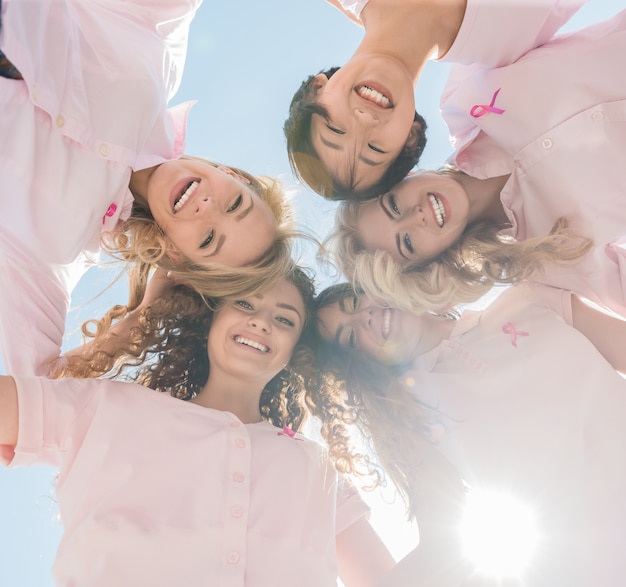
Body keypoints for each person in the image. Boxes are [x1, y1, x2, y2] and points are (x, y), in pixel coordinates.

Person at [0, 266, 404, 586]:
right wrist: (139, 317)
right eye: (245, 304)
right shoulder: (106, 406)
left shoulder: (319, 469)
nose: (262, 322)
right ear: (210, 319)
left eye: (284, 320)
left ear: (296, 353)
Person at [0, 0, 295, 376]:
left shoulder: (61, 249)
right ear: (234, 176)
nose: (208, 207)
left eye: (208, 240)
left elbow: (37, 385)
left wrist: (142, 320)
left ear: (175, 254)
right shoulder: (158, 59)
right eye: (236, 203)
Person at [312, 281, 626, 586]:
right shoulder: (412, 417)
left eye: (354, 303)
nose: (363, 316)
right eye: (350, 337)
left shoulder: (528, 298)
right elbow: (441, 549)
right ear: (363, 364)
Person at [284, 0, 587, 200]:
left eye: (337, 130)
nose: (365, 122)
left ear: (315, 89)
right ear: (410, 138)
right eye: (374, 148)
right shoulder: (508, 48)